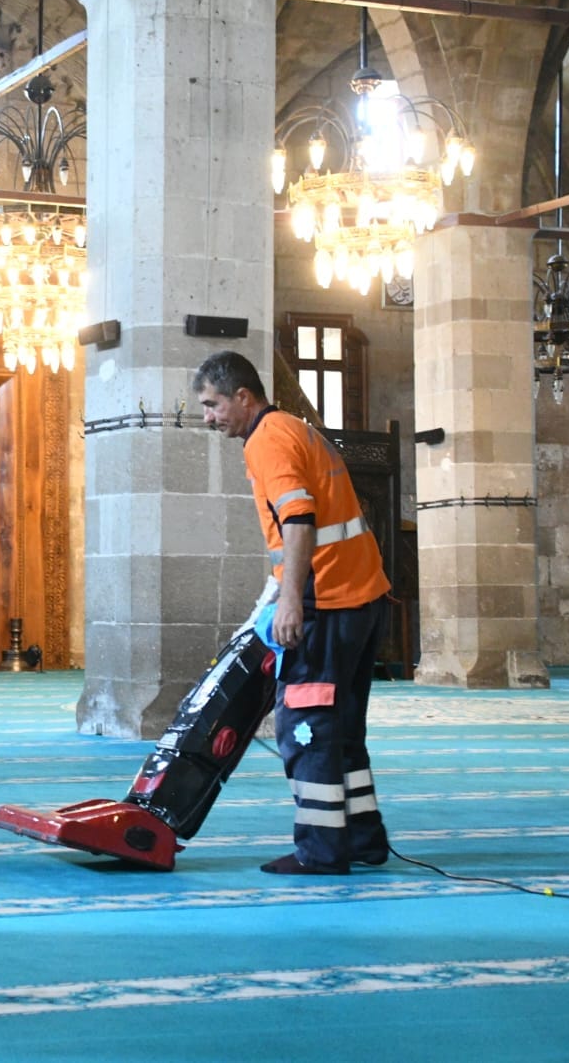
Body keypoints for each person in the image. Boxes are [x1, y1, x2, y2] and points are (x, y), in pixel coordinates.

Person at [195, 350, 391, 876]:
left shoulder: (268, 440)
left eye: (213, 405)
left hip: (326, 606)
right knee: (344, 728)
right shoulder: (295, 429)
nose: (208, 417)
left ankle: (322, 850)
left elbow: (299, 522)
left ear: (243, 396)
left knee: (306, 726)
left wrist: (291, 603)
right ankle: (363, 839)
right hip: (361, 600)